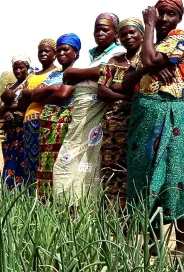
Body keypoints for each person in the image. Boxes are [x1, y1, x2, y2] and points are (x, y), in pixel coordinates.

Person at [123, 0, 184, 255]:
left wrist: (149, 24)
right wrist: (147, 67)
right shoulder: (148, 46)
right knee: (144, 175)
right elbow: (125, 84)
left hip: (169, 112)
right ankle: (152, 243)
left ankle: (181, 246)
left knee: (173, 175)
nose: (164, 18)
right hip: (143, 115)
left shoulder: (180, 39)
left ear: (179, 19)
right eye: (159, 13)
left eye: (170, 14)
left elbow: (151, 61)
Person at [52, 13, 123, 204]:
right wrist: (81, 73)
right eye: (97, 29)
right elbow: (68, 77)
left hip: (100, 112)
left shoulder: (118, 52)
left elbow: (107, 71)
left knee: (91, 161)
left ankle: (87, 209)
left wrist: (77, 72)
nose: (99, 33)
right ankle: (68, 207)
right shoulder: (91, 54)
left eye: (105, 29)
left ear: (116, 32)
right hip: (80, 112)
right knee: (66, 160)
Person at [98, 18, 145, 208]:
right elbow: (102, 92)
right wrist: (127, 95)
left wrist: (116, 91)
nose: (128, 36)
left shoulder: (146, 60)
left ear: (142, 35)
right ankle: (112, 218)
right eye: (123, 33)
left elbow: (142, 89)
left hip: (138, 122)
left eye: (132, 32)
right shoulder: (113, 60)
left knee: (134, 169)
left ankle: (136, 218)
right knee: (111, 169)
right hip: (112, 125)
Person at [33, 34, 81, 202]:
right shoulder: (54, 75)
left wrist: (47, 95)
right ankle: (45, 204)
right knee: (45, 163)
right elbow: (34, 94)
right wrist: (52, 88)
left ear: (75, 52)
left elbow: (64, 94)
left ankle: (63, 203)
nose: (61, 53)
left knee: (62, 163)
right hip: (48, 126)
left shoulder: (76, 72)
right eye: (59, 50)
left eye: (65, 49)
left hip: (64, 122)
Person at [18, 39, 58, 187]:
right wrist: (32, 93)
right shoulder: (32, 75)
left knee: (46, 158)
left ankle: (45, 194)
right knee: (30, 159)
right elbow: (23, 99)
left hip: (47, 119)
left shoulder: (57, 73)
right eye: (40, 51)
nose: (43, 54)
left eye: (47, 51)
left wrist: (30, 93)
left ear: (54, 54)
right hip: (28, 120)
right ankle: (30, 196)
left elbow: (47, 96)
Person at [0, 56, 31, 189]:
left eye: (21, 67)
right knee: (9, 160)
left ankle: (21, 191)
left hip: (23, 129)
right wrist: (5, 112)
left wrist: (9, 108)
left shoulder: (30, 83)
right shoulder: (10, 87)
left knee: (21, 160)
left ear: (27, 68)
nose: (18, 71)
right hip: (9, 132)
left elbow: (25, 106)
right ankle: (9, 192)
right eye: (15, 68)